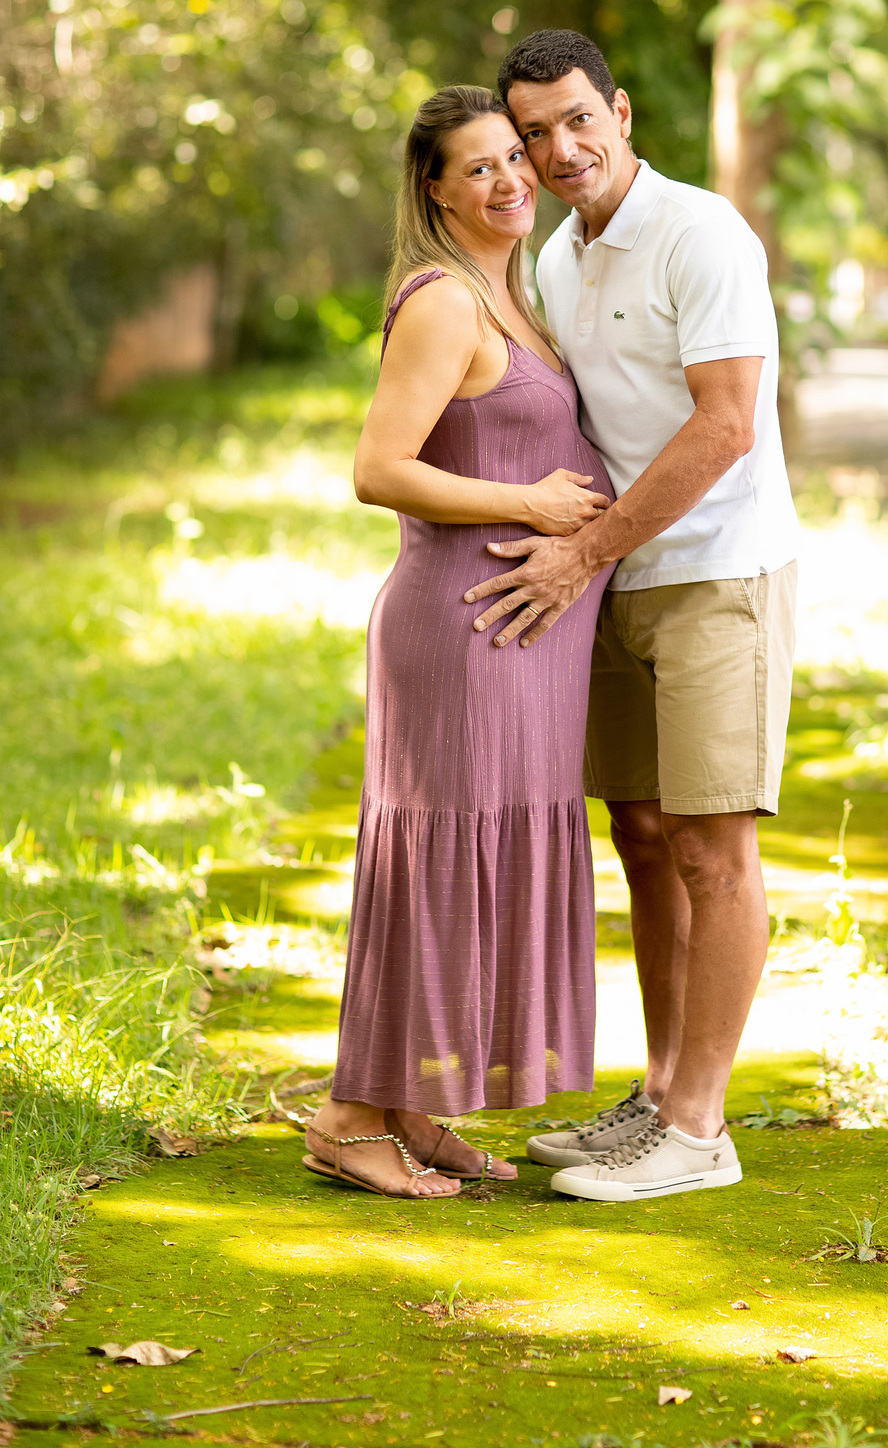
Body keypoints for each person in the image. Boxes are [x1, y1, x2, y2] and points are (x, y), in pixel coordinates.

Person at [465, 29, 801, 1203]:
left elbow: (724, 425)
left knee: (715, 846)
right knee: (645, 838)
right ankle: (660, 1095)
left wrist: (581, 553)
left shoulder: (701, 231)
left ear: (618, 107)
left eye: (575, 121)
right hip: (614, 581)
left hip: (717, 574)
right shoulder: (559, 256)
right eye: (533, 135)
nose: (558, 151)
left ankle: (701, 1129)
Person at [303, 84, 615, 1199]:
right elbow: (378, 469)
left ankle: (411, 1107)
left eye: (513, 157)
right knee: (438, 858)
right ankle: (349, 1116)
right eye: (476, 167)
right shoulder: (444, 301)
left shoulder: (515, 294)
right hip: (463, 623)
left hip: (524, 634)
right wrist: (526, 505)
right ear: (433, 189)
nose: (508, 179)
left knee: (477, 852)